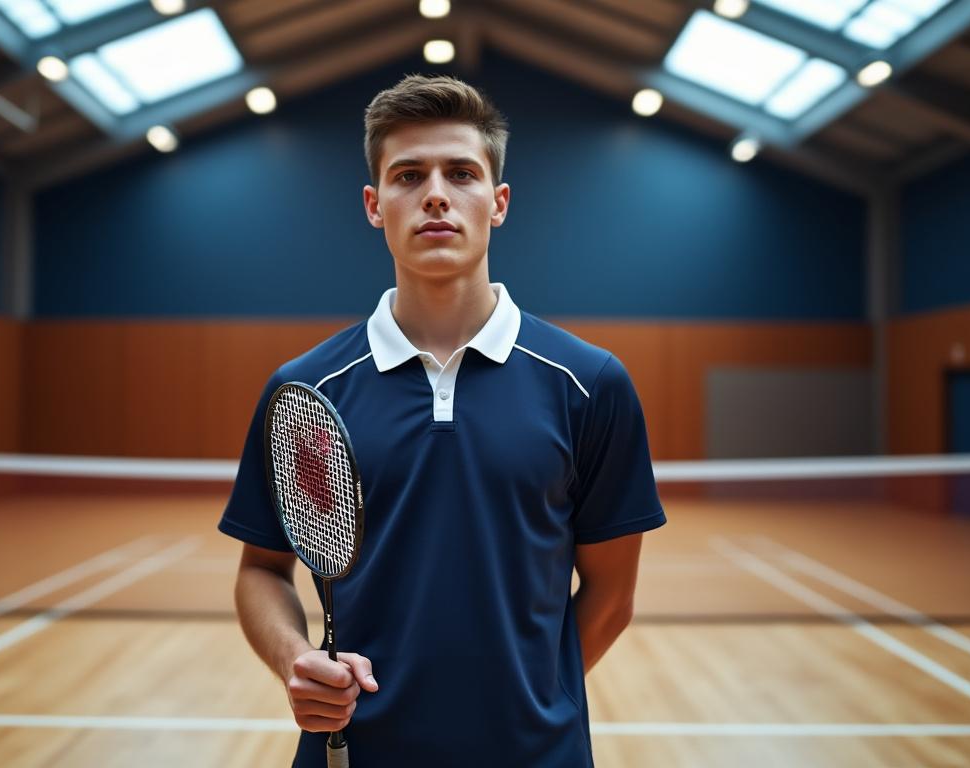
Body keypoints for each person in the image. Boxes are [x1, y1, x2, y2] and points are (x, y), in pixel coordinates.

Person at [219, 73, 665, 767]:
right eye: (408, 176)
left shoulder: (589, 384)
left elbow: (611, 593)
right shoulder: (306, 389)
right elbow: (261, 570)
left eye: (461, 173)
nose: (435, 194)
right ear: (374, 205)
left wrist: (532, 698)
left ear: (498, 202)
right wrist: (295, 659)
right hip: (354, 751)